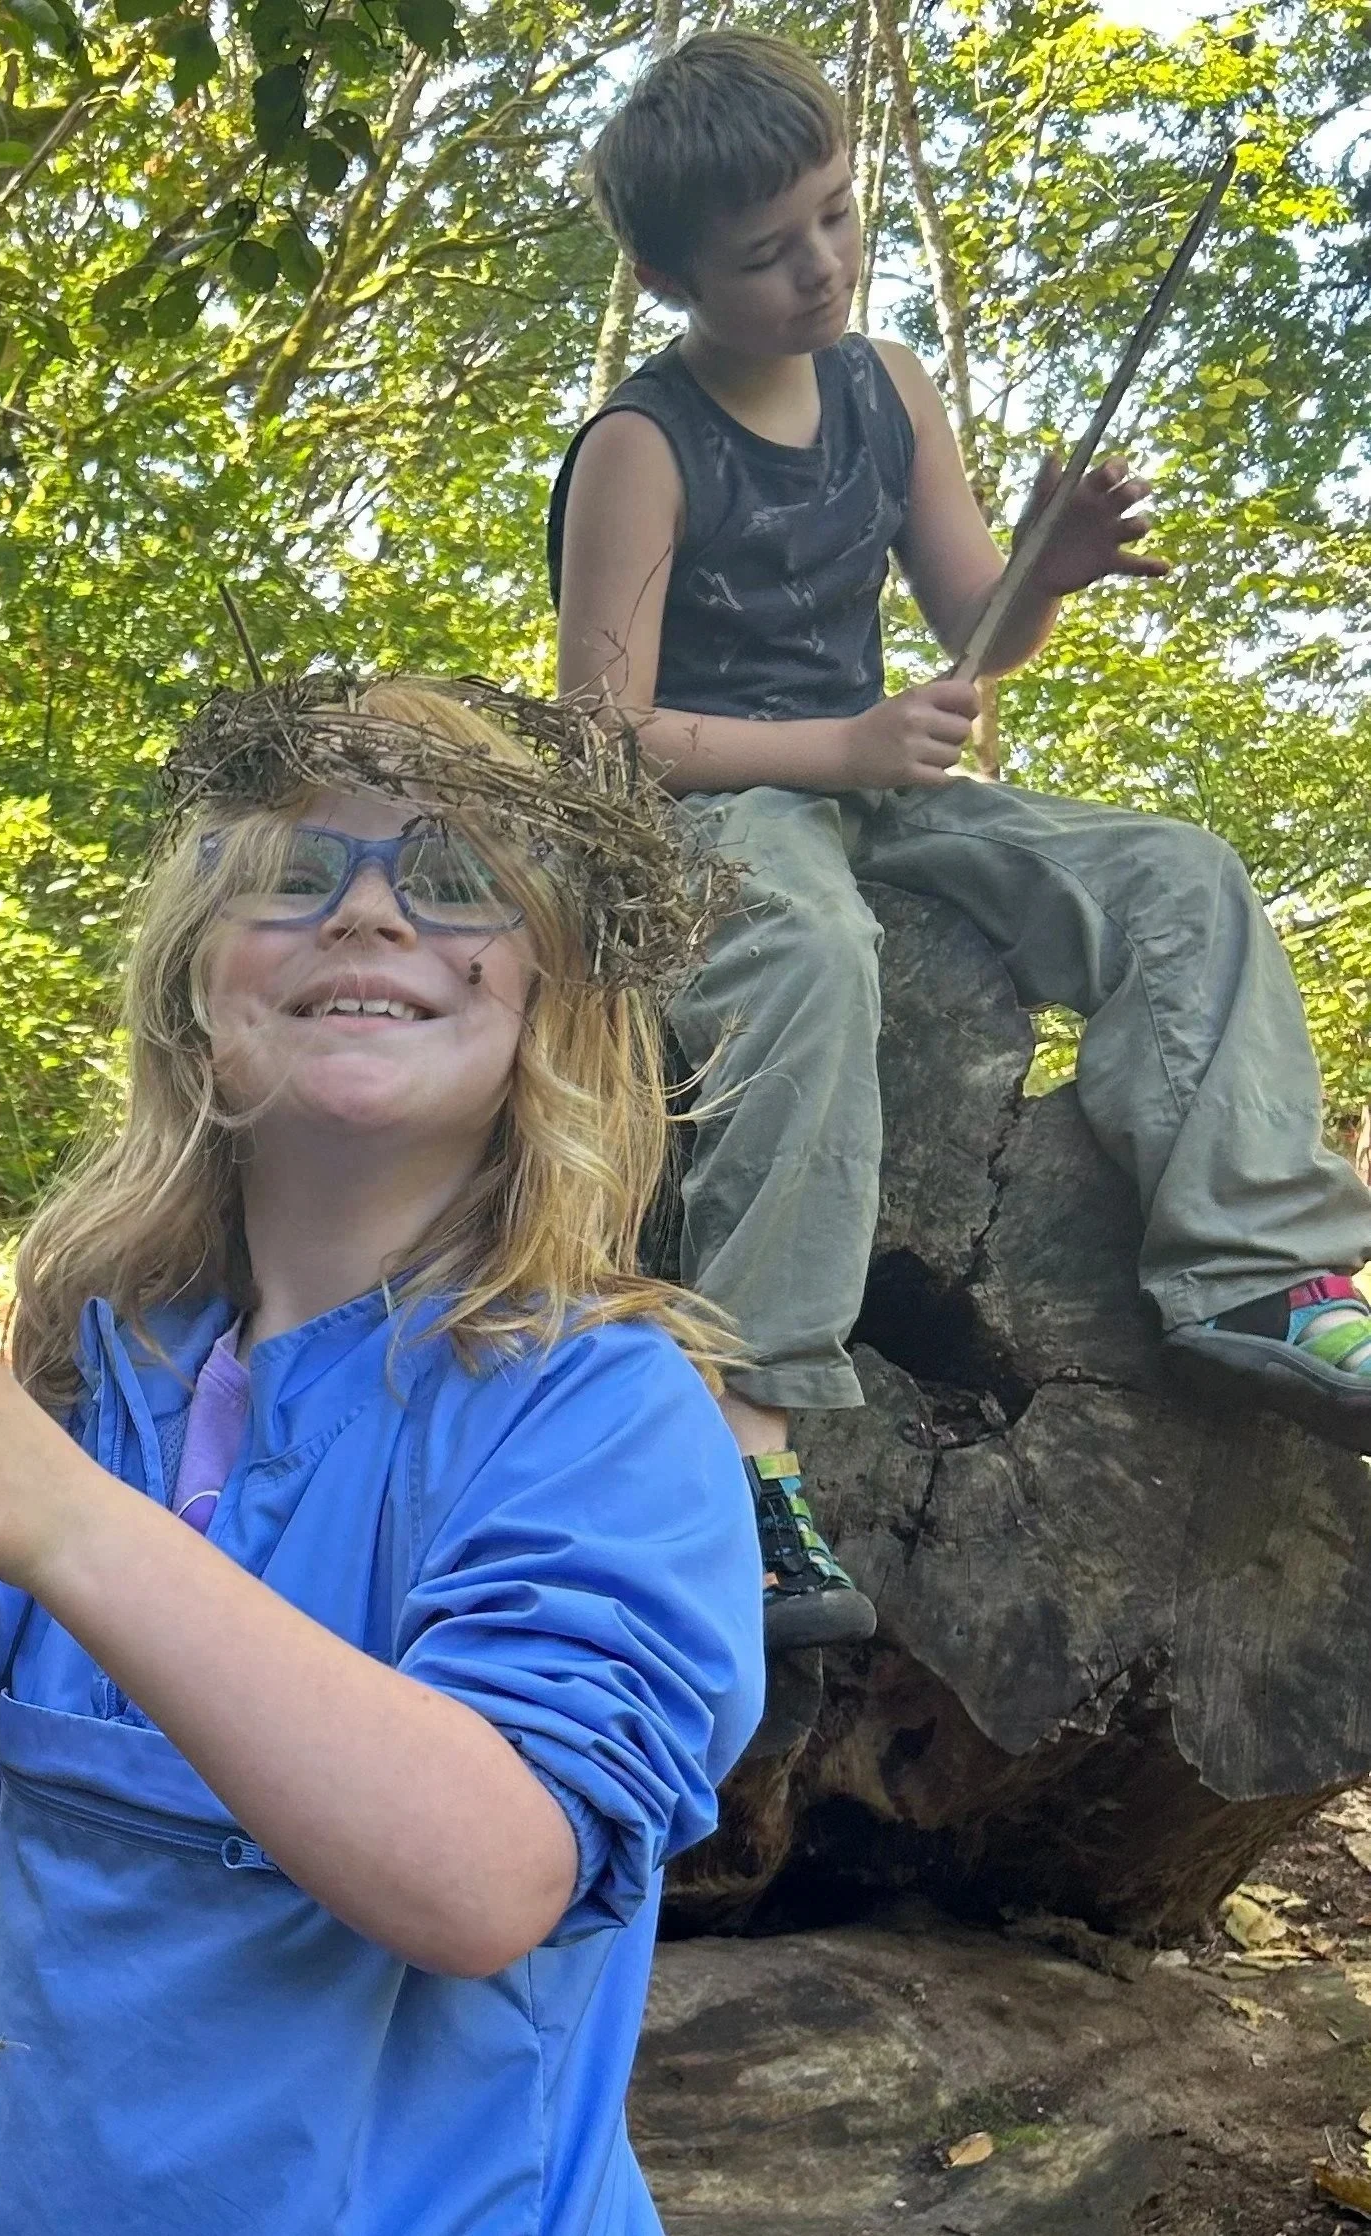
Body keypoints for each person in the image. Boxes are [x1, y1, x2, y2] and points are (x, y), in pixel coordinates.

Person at [0, 678, 764, 2236]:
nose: (365, 915)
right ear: (190, 992)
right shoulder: (114, 1365)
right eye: (292, 876)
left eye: (451, 880)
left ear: (552, 995)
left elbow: (486, 1877)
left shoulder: (599, 1409)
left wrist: (73, 1527)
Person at [549, 30, 1371, 1653]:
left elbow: (966, 632)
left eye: (837, 219)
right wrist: (839, 743)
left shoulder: (883, 386)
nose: (820, 268)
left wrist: (1041, 575)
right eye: (766, 252)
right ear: (662, 275)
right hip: (714, 809)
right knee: (805, 947)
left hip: (882, 791)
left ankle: (1257, 1270)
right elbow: (598, 733)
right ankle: (749, 1441)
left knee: (1172, 876)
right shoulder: (643, 445)